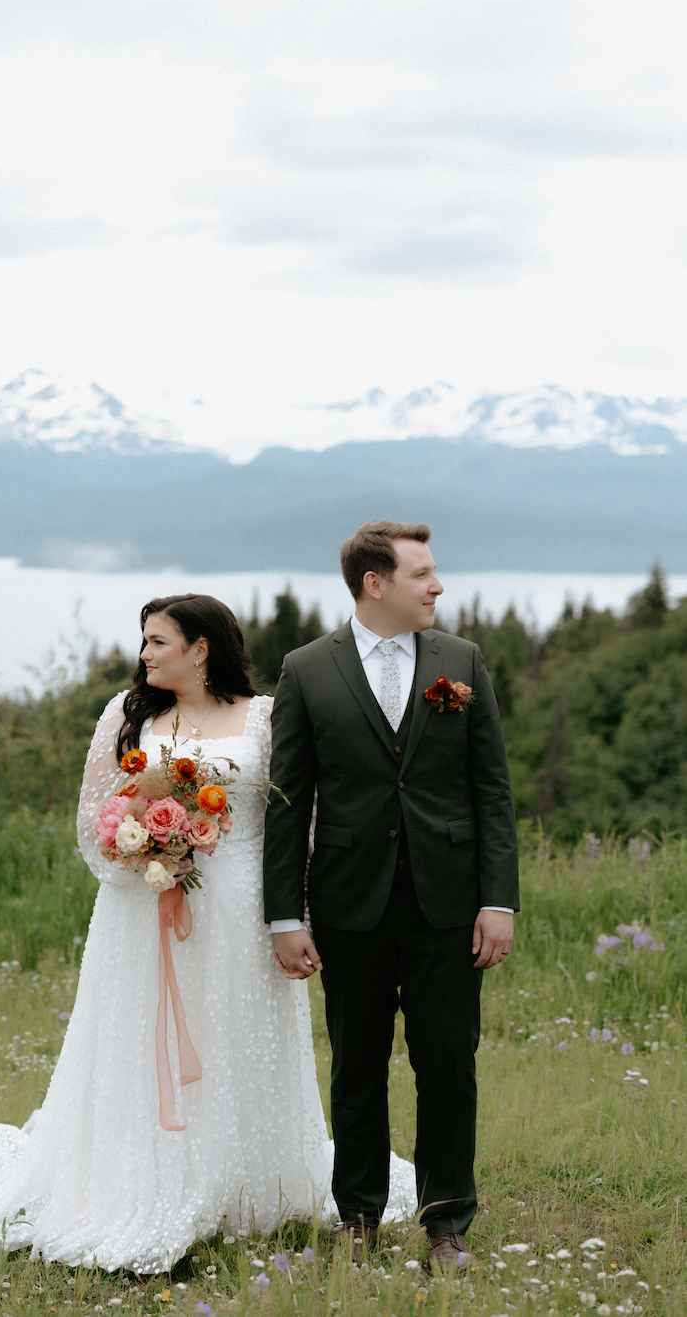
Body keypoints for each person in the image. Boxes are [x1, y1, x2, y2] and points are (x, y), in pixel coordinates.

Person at [0, 592, 416, 1273]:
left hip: (239, 904)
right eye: (143, 641)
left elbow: (297, 821)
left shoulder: (263, 717)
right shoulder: (126, 716)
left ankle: (244, 1182)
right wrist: (138, 845)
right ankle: (144, 1180)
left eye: (156, 641)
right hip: (140, 907)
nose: (143, 653)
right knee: (137, 1036)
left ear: (199, 648)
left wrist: (291, 911)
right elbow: (97, 816)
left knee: (236, 1034)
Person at [263, 522, 519, 1271]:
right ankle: (359, 1219)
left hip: (448, 904)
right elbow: (287, 801)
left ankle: (446, 1224)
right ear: (374, 583)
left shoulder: (459, 661)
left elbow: (490, 791)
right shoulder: (307, 670)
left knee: (448, 1063)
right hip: (348, 904)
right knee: (356, 1066)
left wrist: (496, 900)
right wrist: (286, 915)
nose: (436, 585)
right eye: (422, 573)